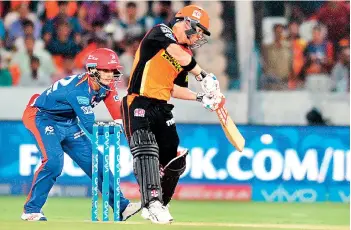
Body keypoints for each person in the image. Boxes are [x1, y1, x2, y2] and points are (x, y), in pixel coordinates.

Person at [121, 5, 224, 224]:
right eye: (198, 31)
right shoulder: (161, 32)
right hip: (138, 101)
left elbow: (174, 88)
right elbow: (174, 52)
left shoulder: (187, 54)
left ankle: (158, 204)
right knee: (146, 149)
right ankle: (153, 202)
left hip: (162, 107)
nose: (198, 37)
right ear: (187, 23)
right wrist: (203, 75)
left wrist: (200, 98)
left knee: (174, 160)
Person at [21, 48, 141, 221]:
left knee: (98, 163)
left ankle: (121, 207)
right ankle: (31, 210)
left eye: (113, 70)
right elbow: (91, 127)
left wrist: (123, 126)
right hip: (42, 117)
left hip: (68, 121)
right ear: (92, 71)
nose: (110, 74)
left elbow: (117, 114)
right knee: (54, 163)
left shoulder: (106, 85)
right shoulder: (78, 92)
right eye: (105, 70)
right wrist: (113, 130)